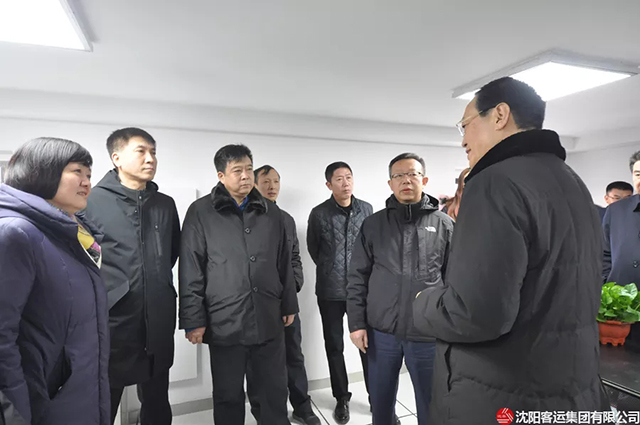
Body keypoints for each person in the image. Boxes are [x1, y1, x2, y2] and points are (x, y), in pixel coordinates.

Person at [413, 77, 608, 424]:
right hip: (568, 385)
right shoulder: (571, 180)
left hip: (502, 393)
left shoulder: (494, 182)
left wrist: (422, 303)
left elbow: (476, 314)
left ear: (500, 115)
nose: (463, 139)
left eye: (465, 124)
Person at [179, 145, 298, 425]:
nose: (245, 176)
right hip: (225, 321)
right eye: (237, 171)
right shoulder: (200, 212)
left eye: (248, 169)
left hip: (268, 316)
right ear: (221, 176)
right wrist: (193, 319)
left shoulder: (271, 212)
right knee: (228, 395)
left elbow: (284, 262)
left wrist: (289, 304)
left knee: (273, 392)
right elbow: (191, 268)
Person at [0, 138, 110, 425]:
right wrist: (14, 416)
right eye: (77, 171)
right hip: (42, 404)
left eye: (89, 174)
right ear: (41, 171)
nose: (87, 182)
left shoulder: (72, 231)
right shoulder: (15, 233)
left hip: (77, 394)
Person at [83, 128, 180, 425]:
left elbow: (171, 253)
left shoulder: (164, 204)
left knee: (156, 399)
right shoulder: (90, 202)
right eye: (141, 151)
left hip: (158, 317)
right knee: (104, 401)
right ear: (117, 157)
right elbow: (83, 261)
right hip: (113, 321)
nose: (150, 159)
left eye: (153, 152)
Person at [347, 153, 453, 425]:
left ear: (424, 180)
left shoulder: (444, 225)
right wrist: (356, 324)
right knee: (381, 403)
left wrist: (451, 327)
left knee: (431, 404)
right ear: (390, 183)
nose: (406, 180)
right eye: (399, 176)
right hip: (382, 332)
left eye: (412, 174)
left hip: (427, 333)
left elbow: (454, 281)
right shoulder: (373, 225)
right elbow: (357, 276)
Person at [248, 165, 321, 425]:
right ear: (254, 185)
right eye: (266, 181)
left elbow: (295, 258)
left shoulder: (286, 219)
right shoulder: (246, 219)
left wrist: (294, 284)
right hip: (258, 305)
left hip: (287, 302)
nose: (272, 186)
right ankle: (263, 412)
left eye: (276, 181)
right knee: (259, 363)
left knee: (294, 355)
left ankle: (302, 406)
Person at [307, 162, 373, 424]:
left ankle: (376, 396)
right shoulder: (319, 213)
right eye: (339, 179)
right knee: (334, 346)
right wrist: (330, 268)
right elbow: (314, 249)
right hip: (329, 291)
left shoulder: (366, 209)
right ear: (329, 184)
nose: (345, 183)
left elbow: (371, 246)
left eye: (349, 177)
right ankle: (341, 398)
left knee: (367, 345)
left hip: (361, 290)